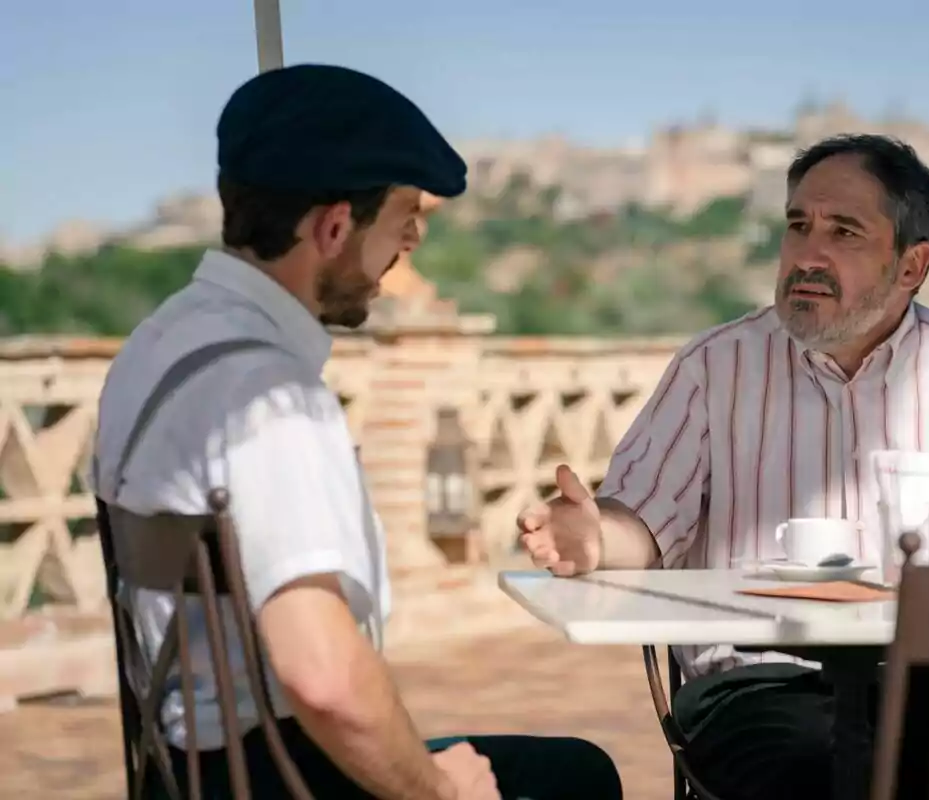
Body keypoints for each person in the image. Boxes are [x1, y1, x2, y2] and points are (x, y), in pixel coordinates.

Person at [93, 64, 621, 800]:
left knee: (569, 768)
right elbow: (323, 677)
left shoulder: (153, 349)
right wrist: (439, 791)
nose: (410, 244)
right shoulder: (273, 401)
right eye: (403, 219)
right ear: (335, 227)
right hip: (283, 776)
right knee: (575, 782)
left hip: (188, 772)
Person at [518, 134, 929, 799]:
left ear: (912, 266)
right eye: (799, 226)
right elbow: (641, 522)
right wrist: (595, 537)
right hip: (763, 684)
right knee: (827, 776)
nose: (808, 255)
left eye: (844, 232)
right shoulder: (715, 367)